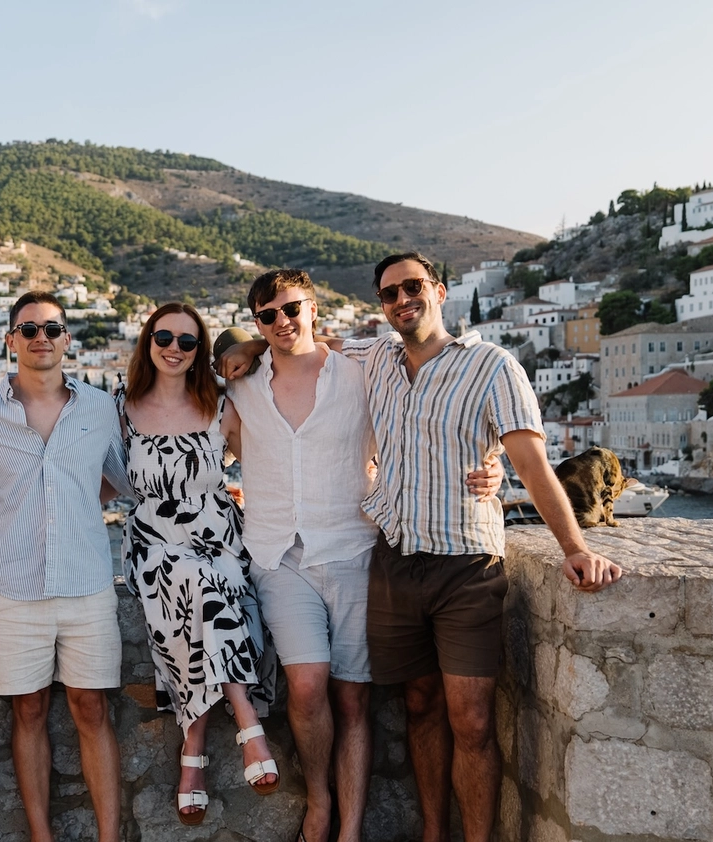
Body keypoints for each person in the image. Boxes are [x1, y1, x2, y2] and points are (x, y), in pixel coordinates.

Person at [215, 269, 503, 842]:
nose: (281, 322)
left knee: (352, 698)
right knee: (306, 684)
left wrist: (491, 464)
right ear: (256, 324)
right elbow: (201, 450)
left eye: (291, 308)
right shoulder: (241, 385)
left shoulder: (362, 369)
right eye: (267, 316)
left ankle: (348, 830)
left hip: (353, 547)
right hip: (278, 555)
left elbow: (427, 420)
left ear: (314, 307)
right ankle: (319, 802)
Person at [350, 253, 621, 842]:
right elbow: (299, 346)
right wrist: (241, 350)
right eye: (389, 292)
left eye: (412, 287)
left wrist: (573, 547)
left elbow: (531, 464)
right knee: (419, 706)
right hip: (395, 561)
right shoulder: (375, 360)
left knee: (470, 721)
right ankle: (432, 833)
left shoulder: (494, 367)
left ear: (439, 291)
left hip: (467, 566)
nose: (402, 300)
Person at [0, 291, 130, 842]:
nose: (41, 338)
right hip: (12, 590)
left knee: (92, 710)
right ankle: (40, 836)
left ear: (67, 339)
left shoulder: (100, 409)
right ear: (10, 340)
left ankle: (108, 836)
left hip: (87, 586)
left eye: (52, 328)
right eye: (28, 329)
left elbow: (125, 482)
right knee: (26, 714)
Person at [117, 302, 276, 826]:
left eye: (188, 342)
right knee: (199, 581)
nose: (175, 349)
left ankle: (195, 746)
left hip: (217, 537)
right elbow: (89, 475)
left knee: (209, 579)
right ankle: (247, 722)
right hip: (153, 543)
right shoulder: (121, 407)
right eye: (164, 337)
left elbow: (273, 460)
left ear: (200, 351)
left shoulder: (221, 404)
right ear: (147, 341)